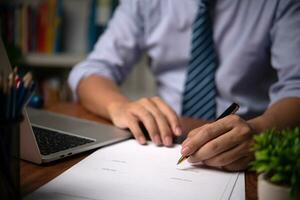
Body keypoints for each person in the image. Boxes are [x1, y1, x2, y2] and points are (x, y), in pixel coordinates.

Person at [68, 0, 300, 171]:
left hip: (246, 142)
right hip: (166, 139)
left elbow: (296, 86)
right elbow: (91, 71)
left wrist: (258, 131)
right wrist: (118, 106)